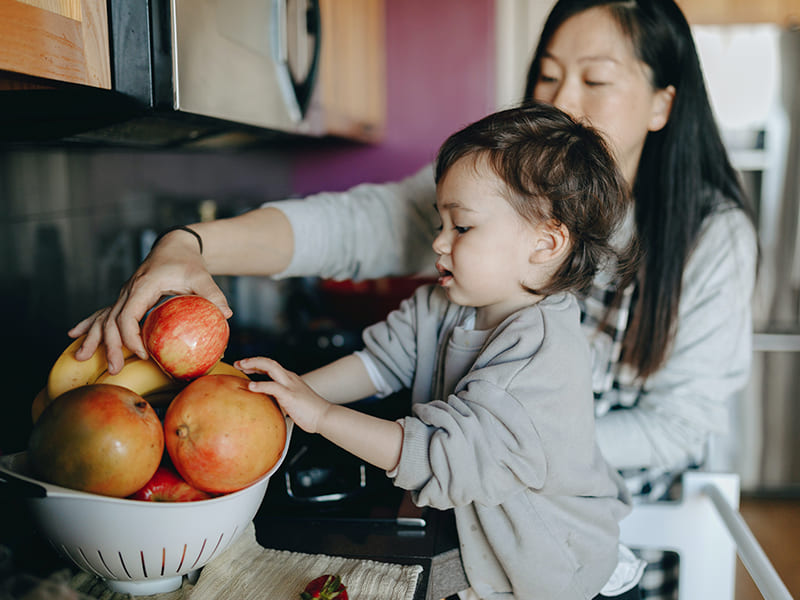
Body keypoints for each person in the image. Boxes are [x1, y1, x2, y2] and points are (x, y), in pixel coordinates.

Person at [70, 0, 757, 597]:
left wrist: (531, 443)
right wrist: (198, 259)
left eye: (596, 79)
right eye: (547, 74)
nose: (561, 98)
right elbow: (374, 304)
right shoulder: (474, 246)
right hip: (476, 516)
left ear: (663, 102)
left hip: (563, 548)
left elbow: (658, 428)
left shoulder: (681, 251)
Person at [238, 102, 642, 599]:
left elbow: (435, 456)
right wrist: (287, 397)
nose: (439, 243)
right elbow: (380, 362)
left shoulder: (540, 359)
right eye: (440, 224)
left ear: (545, 243)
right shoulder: (443, 305)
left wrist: (320, 416)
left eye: (462, 227)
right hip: (475, 531)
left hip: (543, 567)